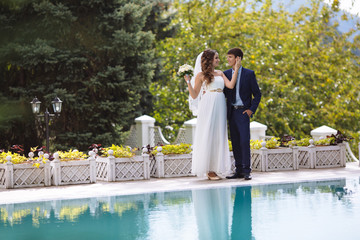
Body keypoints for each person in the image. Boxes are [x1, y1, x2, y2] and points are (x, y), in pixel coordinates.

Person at [184, 49, 241, 180]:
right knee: (208, 133)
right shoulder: (201, 75)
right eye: (216, 58)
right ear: (209, 60)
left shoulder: (220, 73)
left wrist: (236, 69)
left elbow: (231, 85)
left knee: (219, 134)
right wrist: (188, 81)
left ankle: (216, 167)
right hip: (207, 104)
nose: (219, 60)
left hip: (220, 103)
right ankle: (209, 170)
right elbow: (194, 95)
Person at [224, 48, 261, 180]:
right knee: (235, 142)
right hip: (231, 112)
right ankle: (238, 170)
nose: (227, 59)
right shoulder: (226, 74)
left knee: (244, 141)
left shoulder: (249, 74)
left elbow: (257, 94)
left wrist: (251, 110)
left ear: (238, 58)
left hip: (243, 112)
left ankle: (246, 170)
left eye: (230, 57)